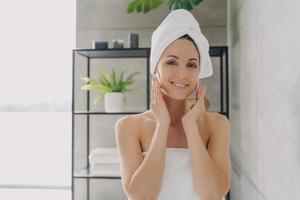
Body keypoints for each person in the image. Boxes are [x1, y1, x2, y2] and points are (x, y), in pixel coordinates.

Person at [115, 9, 231, 200]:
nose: (183, 73)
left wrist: (191, 127)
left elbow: (213, 195)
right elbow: (142, 196)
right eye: (171, 62)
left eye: (192, 65)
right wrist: (162, 126)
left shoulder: (217, 125)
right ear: (155, 70)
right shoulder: (129, 127)